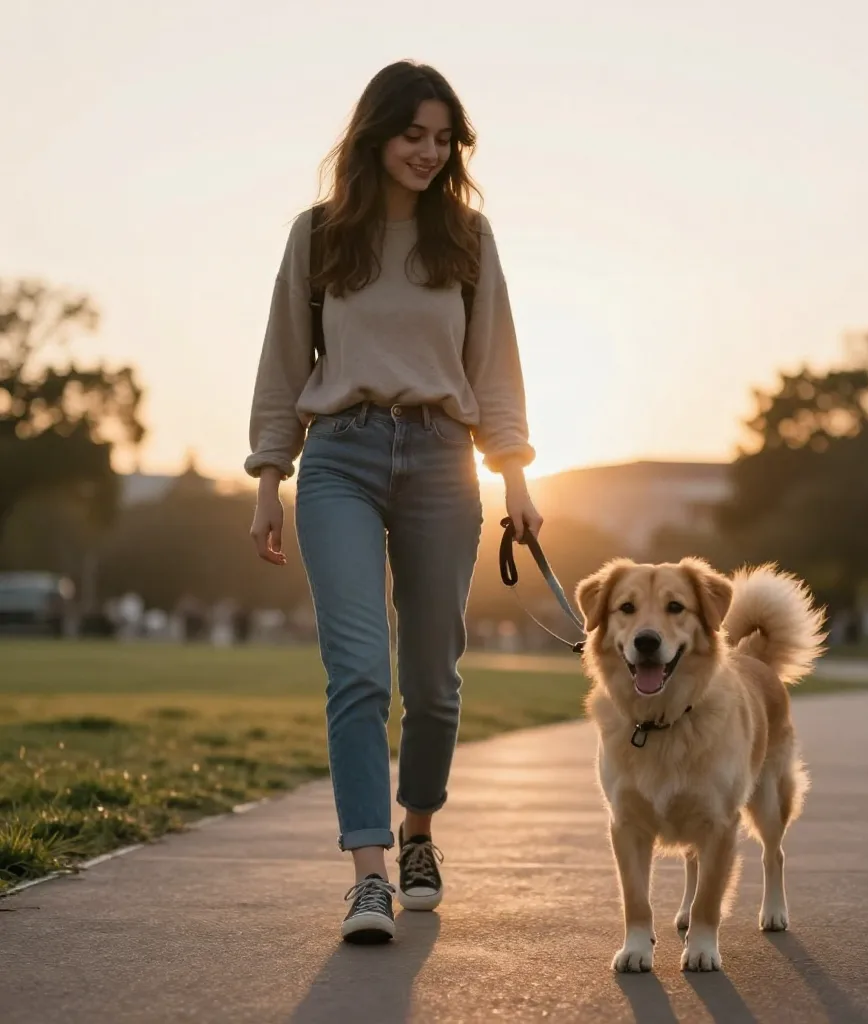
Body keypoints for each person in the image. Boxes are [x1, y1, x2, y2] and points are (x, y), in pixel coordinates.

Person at [244, 61, 542, 945]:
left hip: (445, 461)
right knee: (360, 670)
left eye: (443, 138)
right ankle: (369, 874)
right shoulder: (320, 235)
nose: (429, 151)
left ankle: (419, 833)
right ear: (375, 134)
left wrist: (515, 474)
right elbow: (283, 357)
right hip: (339, 457)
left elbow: (495, 363)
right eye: (414, 133)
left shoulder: (468, 239)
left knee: (434, 683)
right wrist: (269, 477)